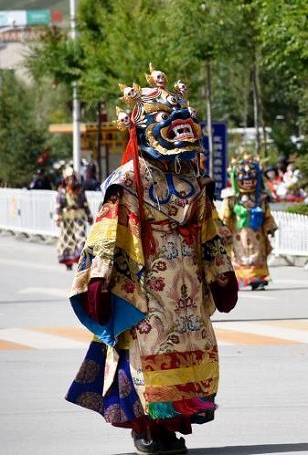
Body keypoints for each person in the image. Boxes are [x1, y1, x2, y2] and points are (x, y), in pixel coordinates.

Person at [65, 65, 238, 455]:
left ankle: (172, 426)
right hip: (146, 284)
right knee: (149, 353)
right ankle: (147, 427)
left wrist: (222, 274)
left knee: (190, 348)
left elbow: (210, 231)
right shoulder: (126, 181)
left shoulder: (193, 178)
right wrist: (99, 279)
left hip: (189, 288)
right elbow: (109, 234)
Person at [222, 156, 278, 290]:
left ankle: (258, 279)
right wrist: (222, 229)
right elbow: (225, 216)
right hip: (239, 235)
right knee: (240, 256)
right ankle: (241, 278)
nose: (248, 182)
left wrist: (270, 227)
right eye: (244, 180)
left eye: (251, 180)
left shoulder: (261, 198)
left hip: (257, 234)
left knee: (257, 255)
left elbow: (267, 214)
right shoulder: (231, 198)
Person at [54, 166, 92, 271]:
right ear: (65, 180)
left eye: (72, 178)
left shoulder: (80, 190)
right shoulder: (62, 191)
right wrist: (57, 216)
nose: (71, 180)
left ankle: (82, 261)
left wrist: (89, 216)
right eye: (69, 178)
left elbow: (85, 203)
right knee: (68, 240)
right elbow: (58, 205)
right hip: (67, 219)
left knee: (81, 239)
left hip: (79, 218)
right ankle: (68, 262)